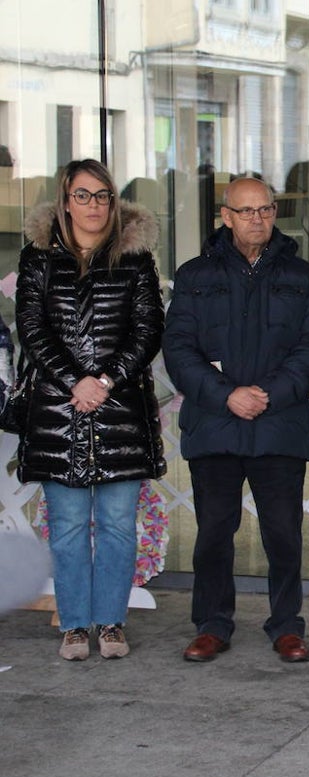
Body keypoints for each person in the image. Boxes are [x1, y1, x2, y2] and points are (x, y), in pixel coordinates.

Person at [163, 176, 309, 665]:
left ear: (274, 212)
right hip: (215, 424)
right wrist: (226, 396)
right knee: (215, 532)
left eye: (264, 210)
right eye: (245, 211)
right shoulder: (195, 276)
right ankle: (212, 625)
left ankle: (286, 626)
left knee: (283, 533)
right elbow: (179, 348)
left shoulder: (304, 277)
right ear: (226, 216)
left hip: (279, 424)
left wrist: (269, 394)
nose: (256, 219)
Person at [15, 158, 165, 660]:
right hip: (58, 412)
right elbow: (33, 331)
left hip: (119, 409)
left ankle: (111, 623)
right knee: (70, 524)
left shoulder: (136, 258)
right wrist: (73, 382)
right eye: (83, 195)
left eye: (103, 195)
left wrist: (104, 381)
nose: (94, 205)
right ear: (65, 200)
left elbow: (147, 330)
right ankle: (76, 625)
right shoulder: (36, 258)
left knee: (120, 523)